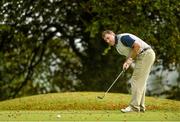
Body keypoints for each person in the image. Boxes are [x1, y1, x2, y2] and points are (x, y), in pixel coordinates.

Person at [102, 30, 155, 113]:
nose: (108, 41)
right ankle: (140, 107)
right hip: (144, 56)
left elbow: (137, 46)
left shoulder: (123, 38)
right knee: (141, 82)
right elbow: (131, 52)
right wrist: (126, 62)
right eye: (106, 40)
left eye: (108, 38)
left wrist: (130, 59)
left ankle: (134, 107)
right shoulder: (117, 46)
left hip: (145, 54)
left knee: (135, 80)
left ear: (113, 34)